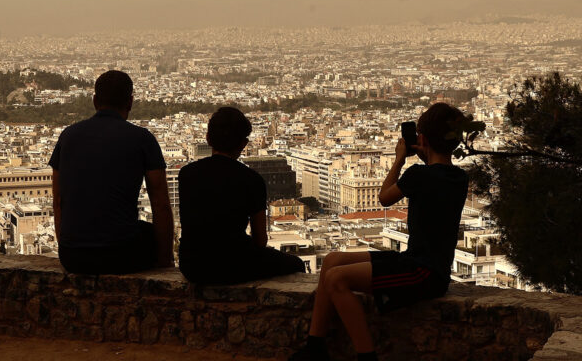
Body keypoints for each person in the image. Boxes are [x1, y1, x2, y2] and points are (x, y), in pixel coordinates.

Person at [289, 103, 469, 361]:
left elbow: (384, 198)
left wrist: (399, 159)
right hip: (422, 263)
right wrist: (426, 154)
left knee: (336, 278)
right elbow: (437, 175)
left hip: (423, 272)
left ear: (423, 139)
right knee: (332, 261)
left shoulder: (418, 175)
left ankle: (365, 355)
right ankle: (315, 346)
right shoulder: (459, 177)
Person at [49, 70, 174, 274]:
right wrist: (165, 261)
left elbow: (58, 200)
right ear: (130, 102)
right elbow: (160, 205)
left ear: (95, 101)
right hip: (123, 255)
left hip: (73, 257)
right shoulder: (142, 139)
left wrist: (67, 246)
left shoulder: (68, 136)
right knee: (147, 231)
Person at [178, 107, 305, 284]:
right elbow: (260, 239)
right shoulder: (252, 180)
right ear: (243, 144)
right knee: (297, 264)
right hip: (234, 264)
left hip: (192, 265)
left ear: (208, 138)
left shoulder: (186, 174)